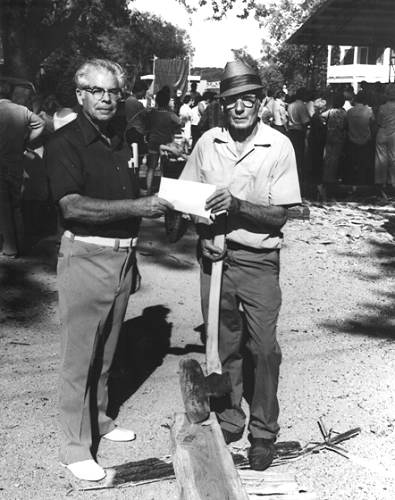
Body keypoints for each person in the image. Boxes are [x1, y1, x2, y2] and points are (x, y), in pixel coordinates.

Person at [45, 58, 172, 482]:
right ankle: (74, 447)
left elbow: (128, 191)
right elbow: (72, 205)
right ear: (79, 95)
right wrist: (139, 207)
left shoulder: (118, 137)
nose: (105, 99)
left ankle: (99, 419)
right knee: (79, 359)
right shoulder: (64, 142)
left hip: (122, 257)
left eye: (112, 92)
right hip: (85, 257)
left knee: (106, 353)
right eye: (95, 91)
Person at [180, 60, 301, 471]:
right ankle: (231, 416)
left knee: (264, 348)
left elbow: (278, 216)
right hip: (215, 260)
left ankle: (264, 431)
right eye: (232, 100)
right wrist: (200, 235)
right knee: (224, 345)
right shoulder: (206, 142)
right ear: (222, 104)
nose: (239, 108)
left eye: (248, 99)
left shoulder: (279, 145)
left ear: (261, 102)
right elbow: (187, 200)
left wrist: (236, 204)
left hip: (258, 259)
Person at [0, 80, 45, 257]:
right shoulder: (22, 110)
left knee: (2, 205)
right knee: (16, 204)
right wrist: (26, 141)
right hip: (16, 161)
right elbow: (40, 123)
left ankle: (10, 246)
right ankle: (20, 243)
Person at [145, 87, 181, 195]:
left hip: (153, 142)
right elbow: (179, 123)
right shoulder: (170, 115)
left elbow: (146, 124)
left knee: (151, 168)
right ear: (167, 101)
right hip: (166, 143)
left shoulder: (151, 113)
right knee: (164, 168)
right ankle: (164, 191)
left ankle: (148, 190)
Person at [320, 93, 347, 200]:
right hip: (339, 138)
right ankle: (334, 179)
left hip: (329, 137)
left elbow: (321, 116)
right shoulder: (344, 113)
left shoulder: (330, 112)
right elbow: (346, 124)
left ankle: (327, 179)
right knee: (337, 159)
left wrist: (325, 125)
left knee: (328, 159)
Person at [345, 90, 375, 187]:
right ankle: (363, 182)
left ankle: (352, 181)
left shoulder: (349, 112)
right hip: (365, 140)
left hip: (352, 139)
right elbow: (373, 124)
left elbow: (346, 126)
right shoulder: (369, 111)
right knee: (364, 163)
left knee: (352, 162)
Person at [374, 85, 395, 199]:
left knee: (381, 159)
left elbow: (378, 122)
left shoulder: (382, 107)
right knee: (393, 158)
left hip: (382, 132)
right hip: (393, 133)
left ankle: (380, 184)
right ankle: (392, 183)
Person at [287, 88, 311, 188]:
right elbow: (306, 121)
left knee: (293, 154)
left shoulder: (290, 105)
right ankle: (299, 177)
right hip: (299, 131)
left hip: (291, 130)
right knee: (300, 155)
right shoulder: (301, 105)